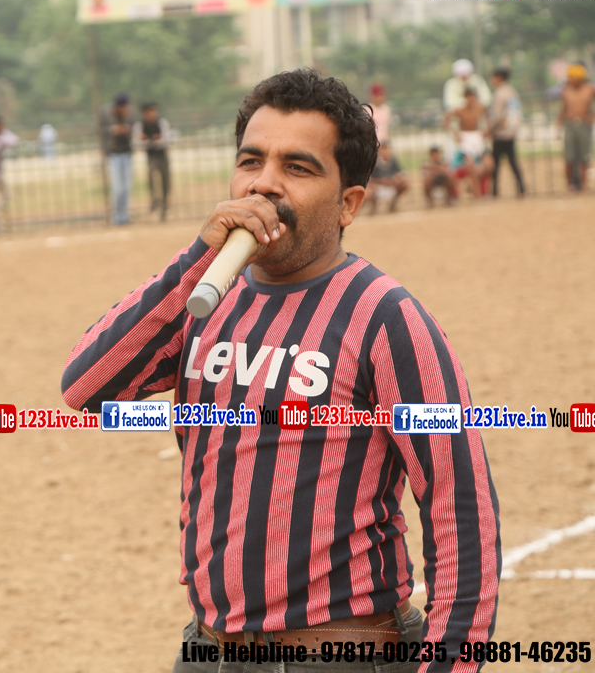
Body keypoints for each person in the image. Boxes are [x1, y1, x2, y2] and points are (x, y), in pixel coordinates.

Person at [62, 70, 500, 673]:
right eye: (251, 161)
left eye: (297, 167)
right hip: (210, 652)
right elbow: (86, 389)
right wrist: (198, 260)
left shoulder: (386, 319)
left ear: (348, 204)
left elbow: (460, 507)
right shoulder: (205, 299)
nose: (263, 183)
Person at [444, 88, 493, 197]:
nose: (470, 99)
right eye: (468, 96)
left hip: (477, 136)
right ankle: (477, 193)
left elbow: (490, 117)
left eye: (472, 96)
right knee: (470, 164)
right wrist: (455, 133)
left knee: (488, 164)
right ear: (465, 97)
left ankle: (481, 188)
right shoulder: (460, 109)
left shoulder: (480, 107)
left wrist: (487, 131)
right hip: (465, 137)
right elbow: (446, 120)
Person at [487, 67, 525, 198]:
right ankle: (521, 189)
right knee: (513, 161)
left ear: (499, 78)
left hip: (500, 133)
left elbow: (497, 116)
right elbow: (516, 111)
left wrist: (489, 129)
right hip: (511, 132)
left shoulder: (499, 93)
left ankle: (494, 191)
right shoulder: (512, 91)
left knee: (496, 164)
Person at [133, 102, 172, 221]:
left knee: (165, 180)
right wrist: (148, 140)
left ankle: (164, 204)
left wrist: (155, 140)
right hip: (151, 155)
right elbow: (137, 141)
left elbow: (166, 139)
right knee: (151, 176)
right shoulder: (140, 125)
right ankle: (154, 200)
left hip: (162, 154)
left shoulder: (161, 123)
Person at [558, 63, 594, 192]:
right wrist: (558, 125)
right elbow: (563, 108)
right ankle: (570, 184)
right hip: (570, 124)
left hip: (584, 124)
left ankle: (583, 185)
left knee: (584, 156)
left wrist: (591, 116)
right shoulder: (566, 90)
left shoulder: (589, 89)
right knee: (569, 157)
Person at [100, 93, 135, 225]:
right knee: (118, 187)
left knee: (126, 187)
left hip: (126, 152)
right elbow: (101, 130)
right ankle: (116, 215)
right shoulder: (108, 114)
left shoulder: (129, 115)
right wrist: (113, 129)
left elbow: (134, 128)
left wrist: (126, 128)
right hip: (114, 154)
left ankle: (124, 215)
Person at [366, 139, 408, 214]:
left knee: (404, 183)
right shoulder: (375, 162)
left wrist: (395, 179)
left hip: (391, 185)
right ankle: (374, 206)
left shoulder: (393, 161)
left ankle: (393, 204)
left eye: (387, 149)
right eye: (384, 149)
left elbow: (402, 173)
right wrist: (381, 182)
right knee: (370, 188)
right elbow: (369, 178)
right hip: (378, 187)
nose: (386, 151)